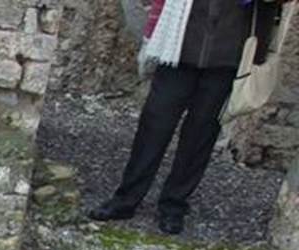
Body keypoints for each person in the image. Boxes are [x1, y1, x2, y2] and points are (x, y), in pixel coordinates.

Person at [89, 0, 290, 234]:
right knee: (154, 124)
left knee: (201, 133)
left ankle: (174, 204)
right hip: (179, 45)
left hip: (231, 49)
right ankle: (126, 198)